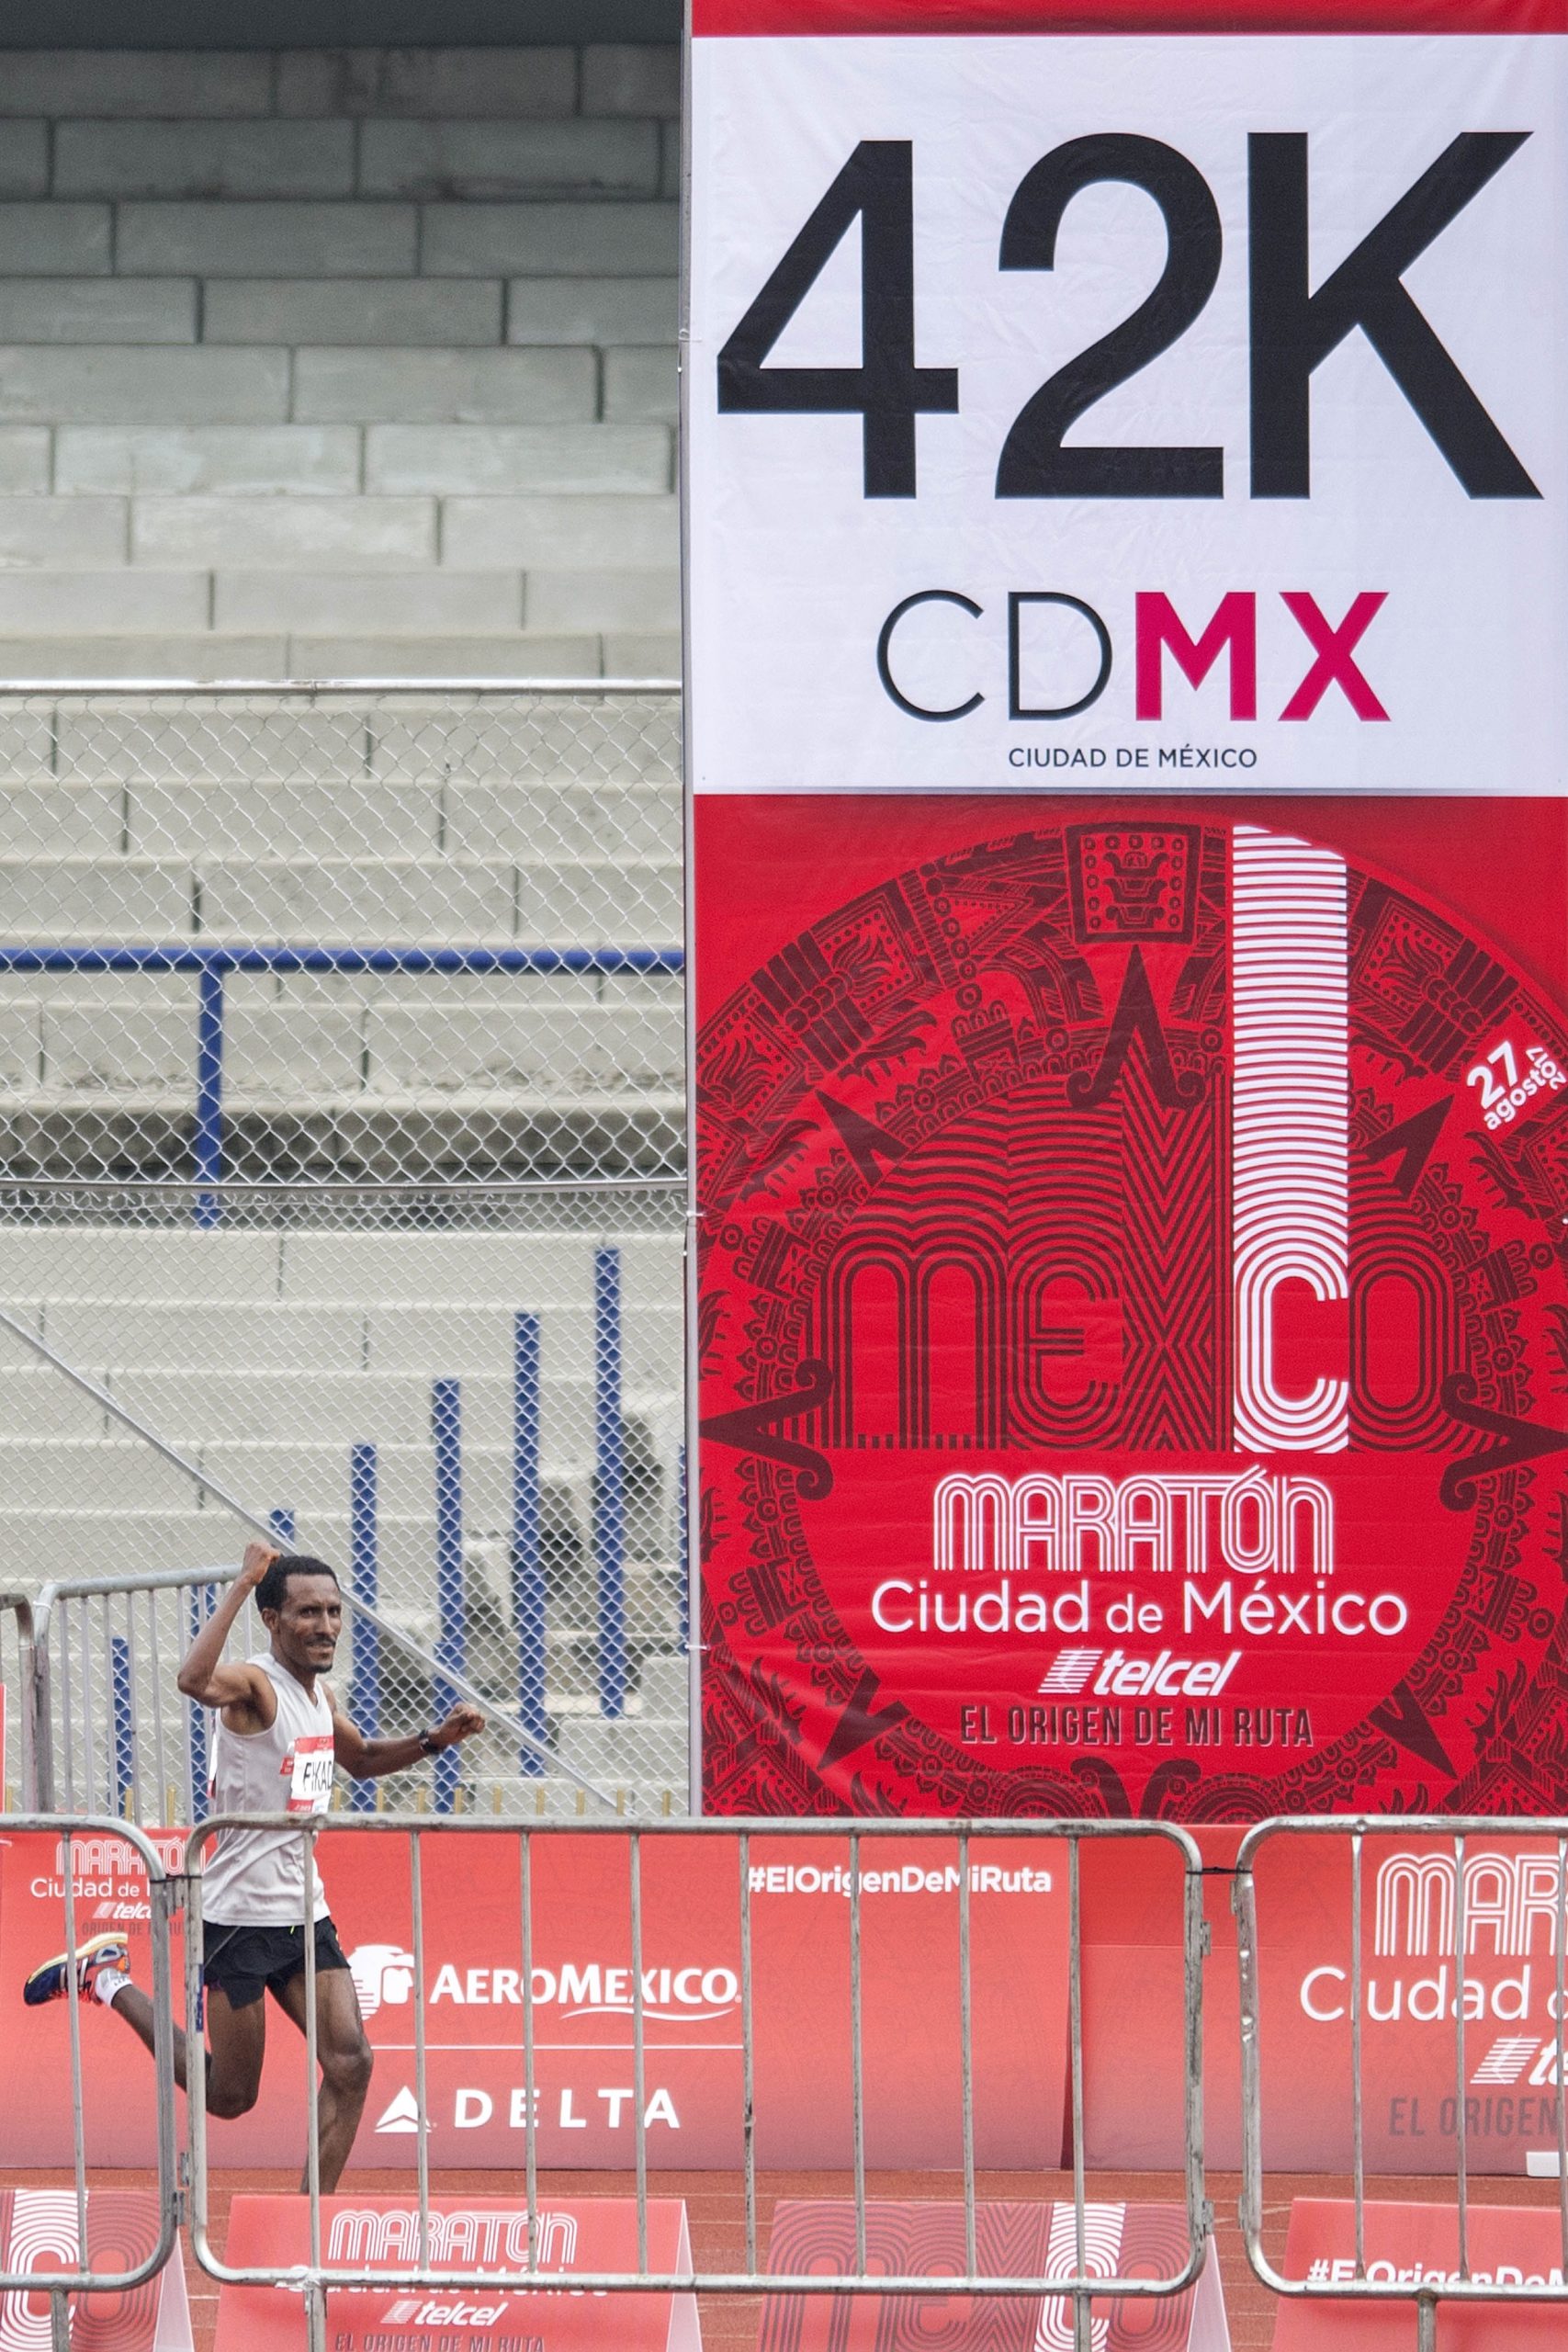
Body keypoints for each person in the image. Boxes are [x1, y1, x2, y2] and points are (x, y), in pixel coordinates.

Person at [23, 1541, 485, 2191]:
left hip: (304, 1911)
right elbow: (191, 1680)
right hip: (239, 1918)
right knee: (231, 2096)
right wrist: (242, 1583)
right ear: (273, 1620)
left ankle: (306, 2233)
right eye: (306, 1612)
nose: (325, 1626)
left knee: (351, 2063)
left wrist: (436, 1739)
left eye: (332, 1612)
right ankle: (106, 1981)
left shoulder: (317, 1699)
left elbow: (364, 1760)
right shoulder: (255, 1686)